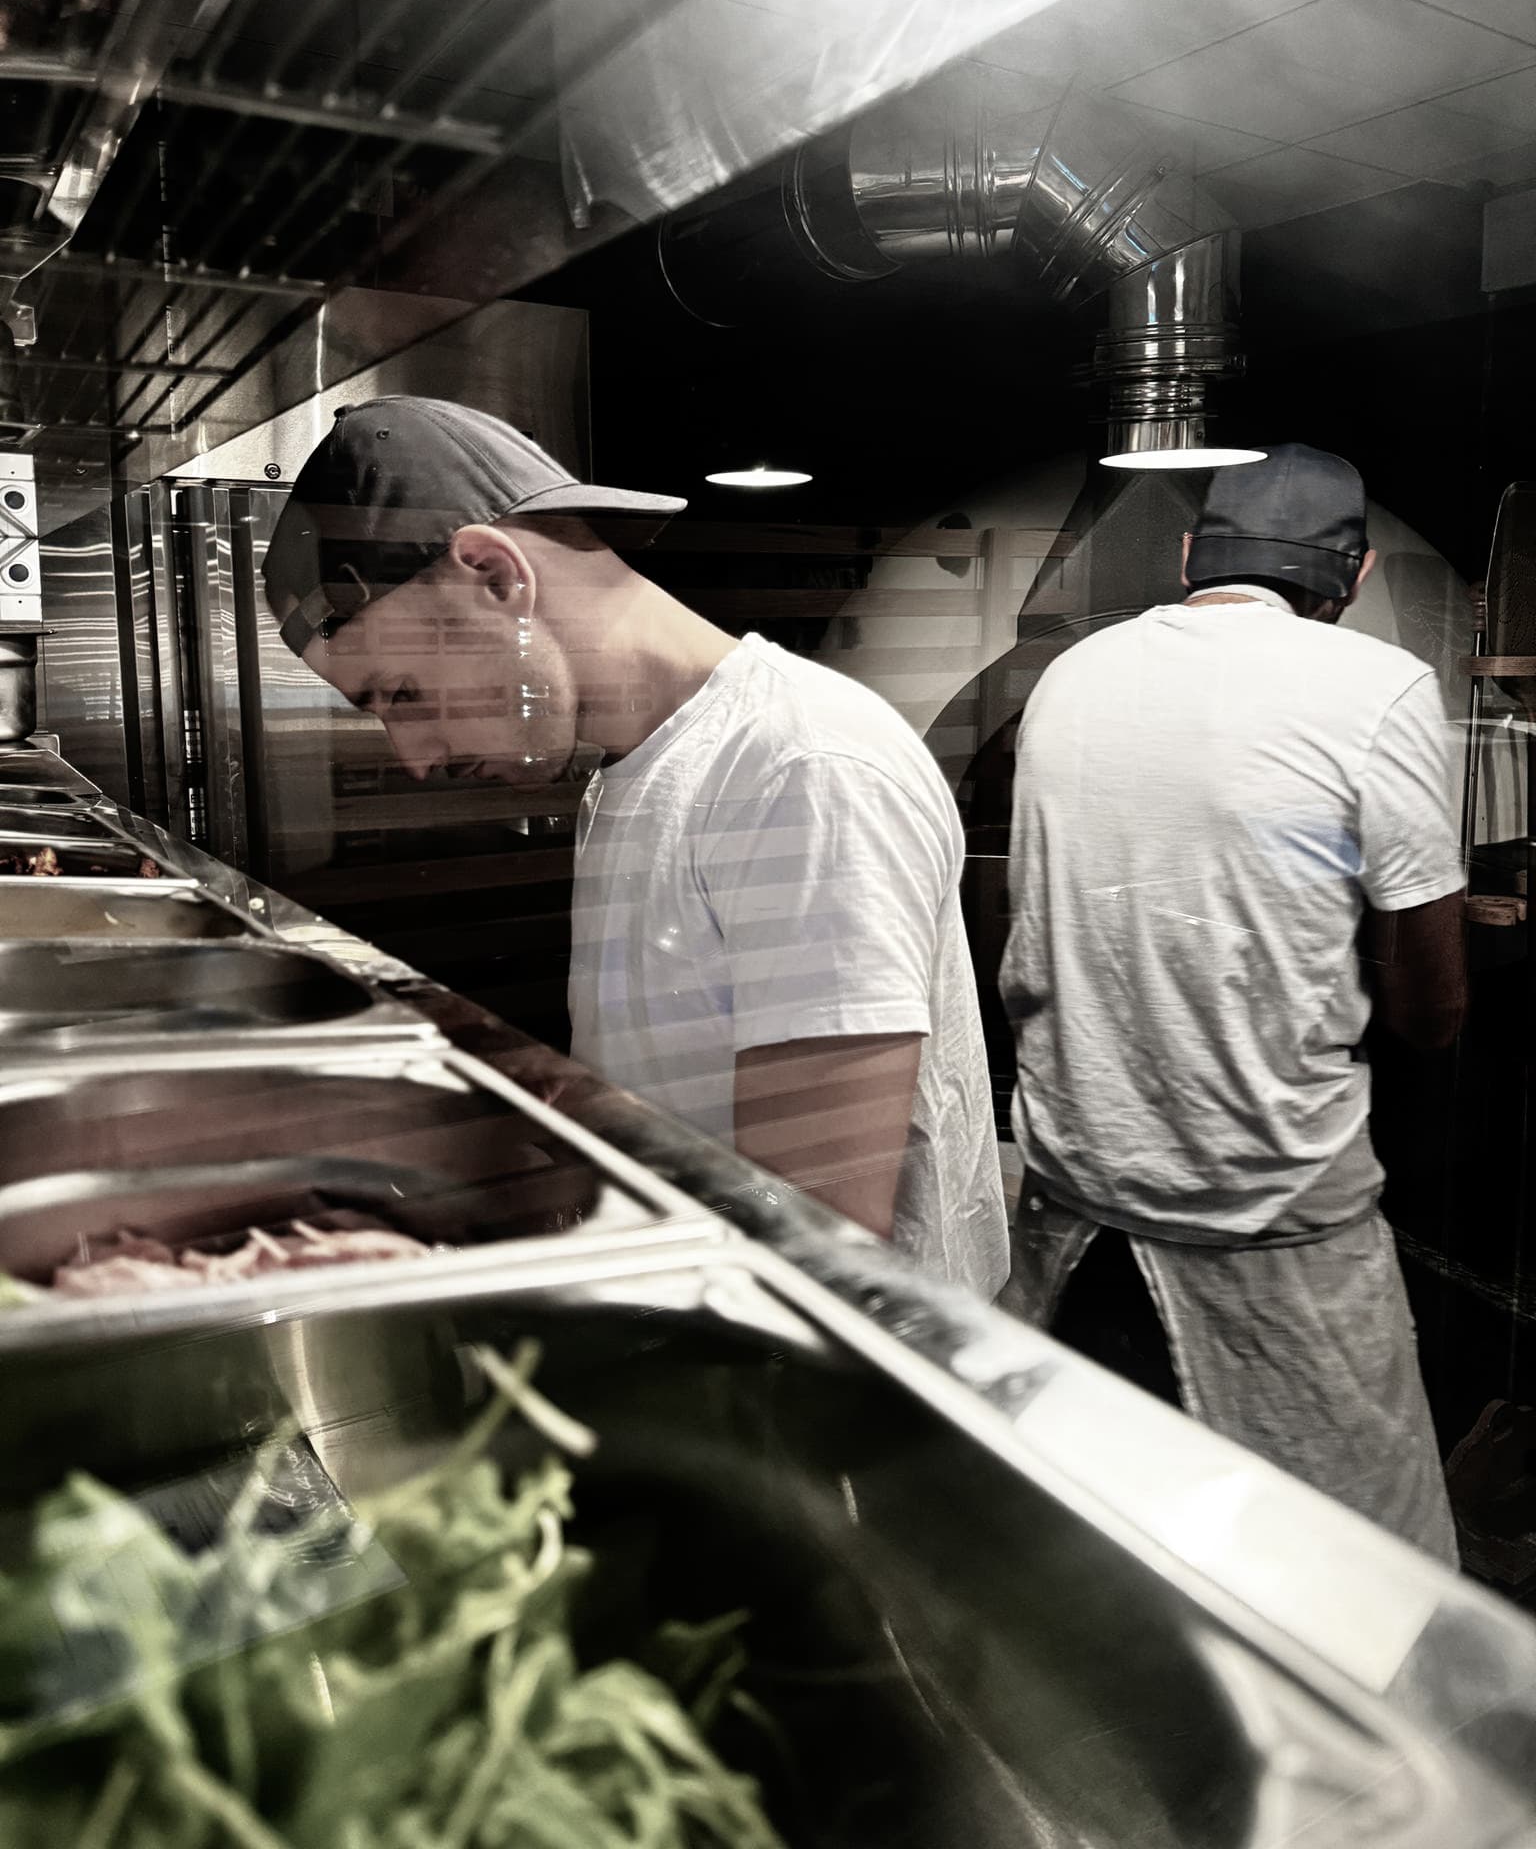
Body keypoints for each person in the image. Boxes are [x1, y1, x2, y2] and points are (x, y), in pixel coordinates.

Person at [263, 394, 1008, 1296]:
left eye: (401, 693)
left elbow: (820, 1234)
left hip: (840, 1363)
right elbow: (670, 1110)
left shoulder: (798, 769)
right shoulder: (630, 775)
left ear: (495, 576)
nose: (413, 758)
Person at [1000, 444, 1467, 1561]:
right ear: (1354, 576)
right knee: (1347, 1564)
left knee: (1101, 1545)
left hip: (1077, 1190)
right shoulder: (1379, 685)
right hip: (1268, 1210)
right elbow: (1432, 1006)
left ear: (1188, 558)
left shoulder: (1075, 673)